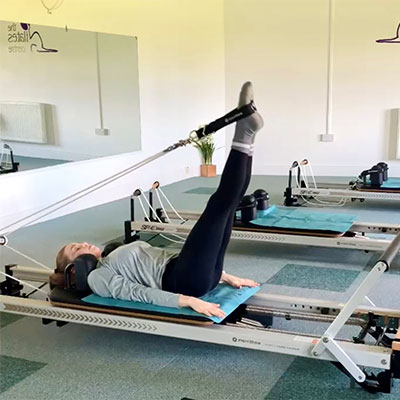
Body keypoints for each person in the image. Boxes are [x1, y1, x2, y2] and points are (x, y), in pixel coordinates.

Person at [50, 81, 264, 319]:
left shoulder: (110, 257)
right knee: (219, 204)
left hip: (197, 272)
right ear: (75, 267)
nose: (83, 244)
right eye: (76, 249)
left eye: (78, 242)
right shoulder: (97, 277)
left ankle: (248, 133)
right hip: (187, 280)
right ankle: (244, 131)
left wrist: (224, 276)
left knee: (229, 204)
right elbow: (138, 293)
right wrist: (186, 301)